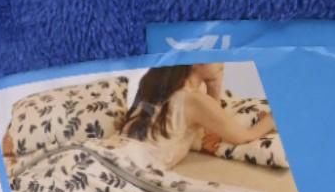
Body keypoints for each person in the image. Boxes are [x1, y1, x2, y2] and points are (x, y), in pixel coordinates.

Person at [117, 63, 275, 170]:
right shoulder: (193, 99)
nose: (223, 62)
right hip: (132, 164)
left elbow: (211, 124)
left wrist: (214, 85)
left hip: (119, 150)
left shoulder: (157, 85)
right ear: (195, 62)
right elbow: (244, 137)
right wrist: (275, 117)